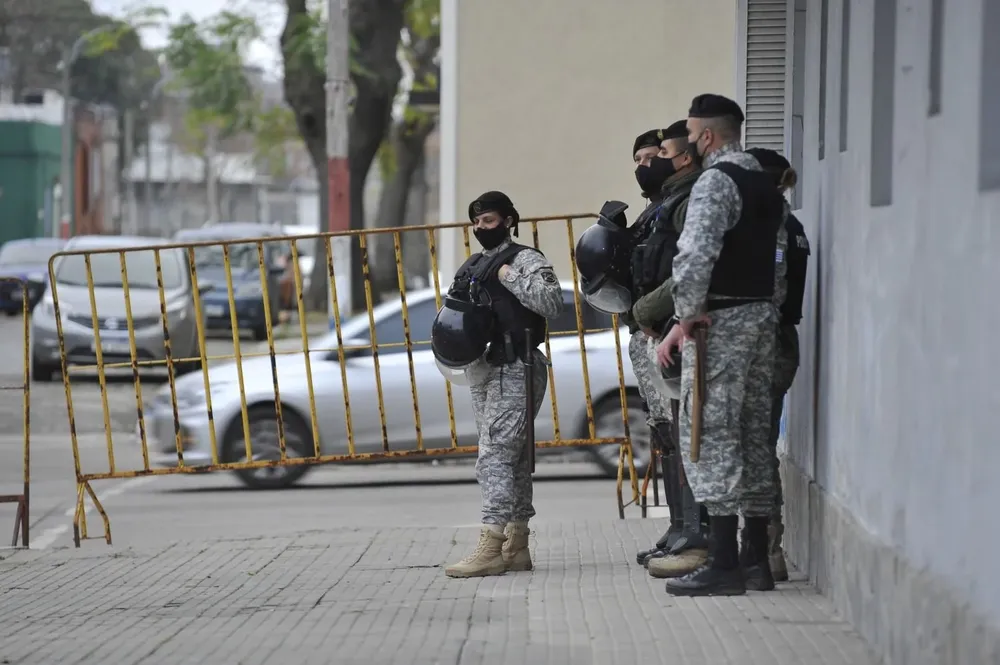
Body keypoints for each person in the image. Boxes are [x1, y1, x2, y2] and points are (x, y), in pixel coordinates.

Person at [654, 93, 788, 596]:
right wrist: (765, 309)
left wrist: (687, 316)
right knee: (754, 434)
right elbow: (778, 264)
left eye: (690, 134)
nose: (687, 144)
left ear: (706, 136)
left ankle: (725, 562)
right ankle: (757, 558)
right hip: (761, 319)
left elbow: (694, 255)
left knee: (711, 433)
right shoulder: (767, 185)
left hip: (721, 321)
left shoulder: (717, 181)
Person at [436, 191, 564, 578]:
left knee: (494, 456)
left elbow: (551, 302)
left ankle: (491, 544)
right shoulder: (473, 265)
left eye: (488, 221)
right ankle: (517, 543)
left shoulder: (525, 259)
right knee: (511, 458)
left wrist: (509, 276)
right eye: (475, 222)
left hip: (518, 365)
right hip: (485, 368)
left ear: (509, 220)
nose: (480, 229)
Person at [628, 120, 714, 577]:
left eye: (657, 154)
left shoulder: (691, 200)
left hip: (678, 330)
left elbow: (687, 271)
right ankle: (684, 528)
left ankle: (698, 537)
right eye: (643, 159)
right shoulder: (665, 205)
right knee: (670, 434)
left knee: (690, 437)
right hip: (660, 329)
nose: (650, 164)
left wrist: (647, 309)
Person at [745, 147, 811, 583]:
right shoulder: (782, 224)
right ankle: (761, 551)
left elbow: (770, 293)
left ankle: (766, 551)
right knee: (755, 446)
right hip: (769, 342)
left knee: (755, 448)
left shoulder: (775, 229)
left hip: (766, 344)